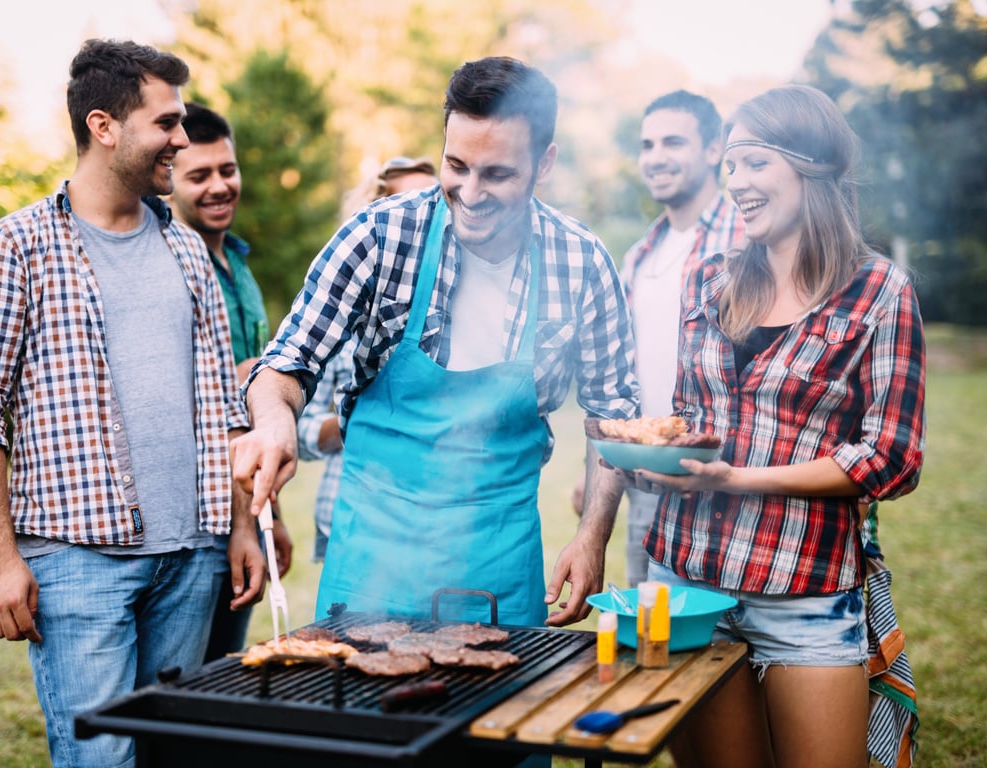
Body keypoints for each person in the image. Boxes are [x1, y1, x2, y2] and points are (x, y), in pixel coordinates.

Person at [0, 39, 265, 768]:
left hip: (192, 558)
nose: (181, 140)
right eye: (167, 123)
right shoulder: (13, 246)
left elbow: (226, 406)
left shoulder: (186, 249)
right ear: (104, 126)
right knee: (102, 760)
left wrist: (241, 527)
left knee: (170, 753)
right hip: (76, 561)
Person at [233, 56, 639, 629]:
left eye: (497, 174)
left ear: (543, 163)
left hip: (496, 560)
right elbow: (287, 363)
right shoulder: (378, 234)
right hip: (372, 554)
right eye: (457, 165)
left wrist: (593, 538)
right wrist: (274, 424)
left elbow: (612, 415)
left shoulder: (583, 262)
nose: (470, 193)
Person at [629, 85, 926, 768]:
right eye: (730, 166)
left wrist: (743, 479)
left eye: (754, 163)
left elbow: (893, 458)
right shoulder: (711, 279)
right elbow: (691, 417)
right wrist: (653, 450)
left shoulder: (880, 292)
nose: (735, 183)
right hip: (684, 580)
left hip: (802, 589)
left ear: (811, 165)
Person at [571, 90, 745, 587]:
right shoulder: (641, 254)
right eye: (647, 145)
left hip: (721, 472)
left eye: (673, 142)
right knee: (654, 628)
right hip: (644, 474)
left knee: (723, 636)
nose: (655, 157)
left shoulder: (747, 236)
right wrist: (603, 467)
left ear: (714, 149)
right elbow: (622, 375)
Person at [170, 101, 293, 662]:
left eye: (227, 170)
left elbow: (260, 411)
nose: (220, 186)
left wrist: (273, 521)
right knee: (179, 684)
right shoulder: (167, 263)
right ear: (168, 177)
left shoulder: (240, 267)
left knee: (224, 671)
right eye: (199, 176)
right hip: (192, 518)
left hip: (246, 509)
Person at [297, 155, 438, 563]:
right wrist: (362, 421)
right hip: (347, 519)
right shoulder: (340, 322)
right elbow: (301, 429)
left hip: (429, 525)